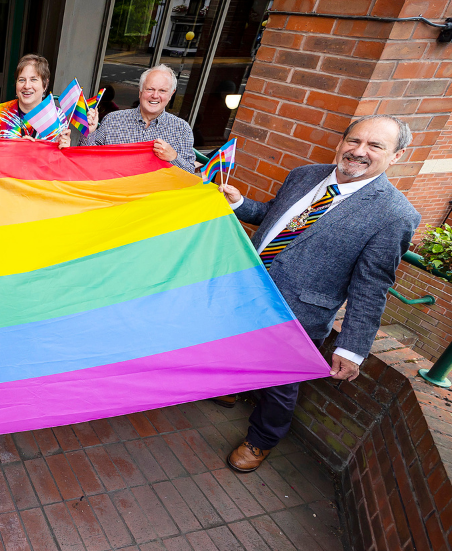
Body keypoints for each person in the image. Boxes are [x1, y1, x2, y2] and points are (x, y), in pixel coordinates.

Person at [217, 115, 420, 473]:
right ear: (342, 142)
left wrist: (352, 347)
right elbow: (273, 219)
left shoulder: (395, 214)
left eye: (375, 146)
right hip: (251, 285)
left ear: (397, 155)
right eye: (354, 141)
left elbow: (371, 286)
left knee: (281, 384)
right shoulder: (305, 174)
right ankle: (234, 386)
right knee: (236, 342)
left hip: (300, 311)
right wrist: (240, 203)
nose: (359, 152)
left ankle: (262, 440)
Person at [83, 64, 195, 173]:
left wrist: (173, 157)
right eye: (150, 89)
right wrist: (89, 132)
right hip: (115, 189)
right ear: (140, 91)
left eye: (162, 91)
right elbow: (87, 160)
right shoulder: (113, 120)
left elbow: (190, 174)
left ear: (171, 94)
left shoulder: (182, 129)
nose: (155, 95)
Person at [0, 53, 98, 148]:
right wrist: (12, 148)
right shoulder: (0, 113)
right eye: (21, 80)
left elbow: (58, 165)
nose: (27, 86)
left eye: (33, 79)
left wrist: (62, 149)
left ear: (45, 85)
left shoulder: (57, 117)